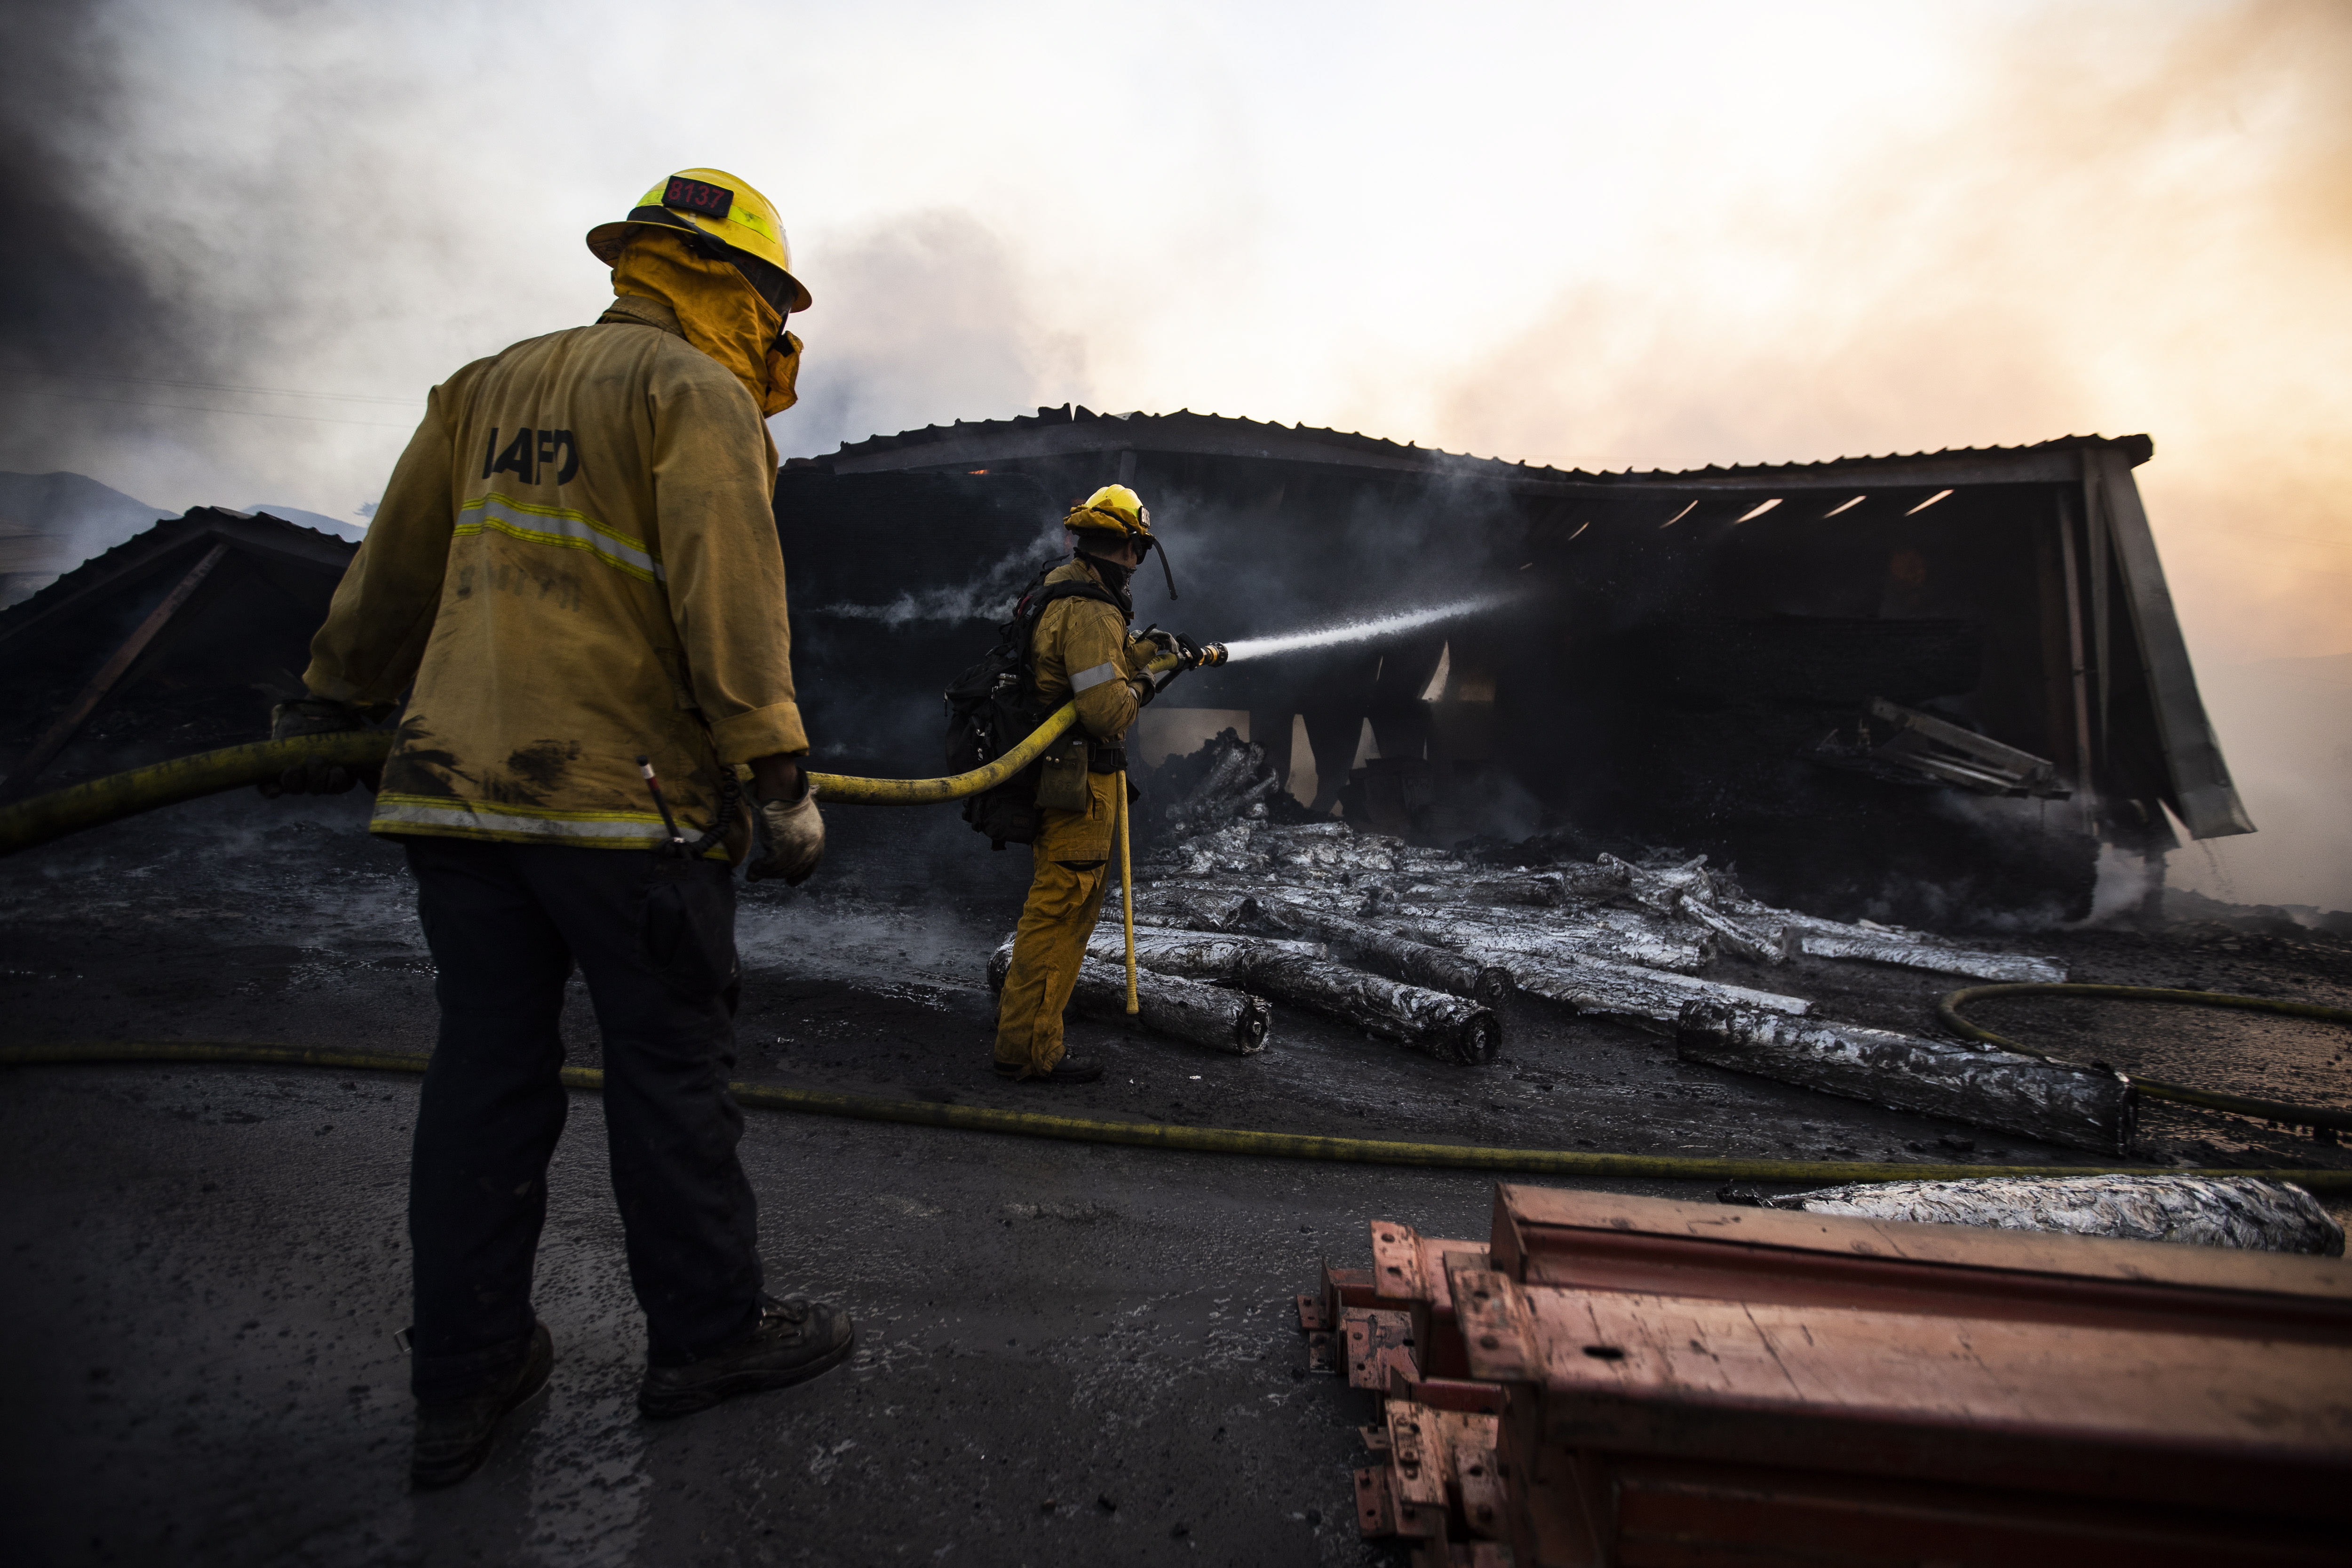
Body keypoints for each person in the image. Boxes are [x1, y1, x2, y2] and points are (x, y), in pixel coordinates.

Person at [269, 167, 850, 1488]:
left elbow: (394, 570)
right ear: (741, 290)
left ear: (640, 261)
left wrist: (331, 700)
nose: (775, 335)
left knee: (484, 1076)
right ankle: (705, 1337)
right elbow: (729, 596)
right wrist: (777, 773)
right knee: (668, 1073)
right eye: (772, 304)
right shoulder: (696, 396)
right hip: (625, 806)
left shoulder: (483, 385)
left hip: (456, 796)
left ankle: (463, 1379)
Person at [992, 485, 1197, 1083]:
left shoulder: (1063, 590)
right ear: (1130, 547)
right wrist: (1150, 684)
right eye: (1137, 549)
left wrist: (1146, 652)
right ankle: (1030, 1049)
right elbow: (1105, 710)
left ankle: (1025, 1038)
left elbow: (1092, 662)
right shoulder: (1092, 608)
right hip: (1079, 784)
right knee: (1061, 912)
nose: (1137, 562)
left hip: (1063, 777)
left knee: (1057, 907)